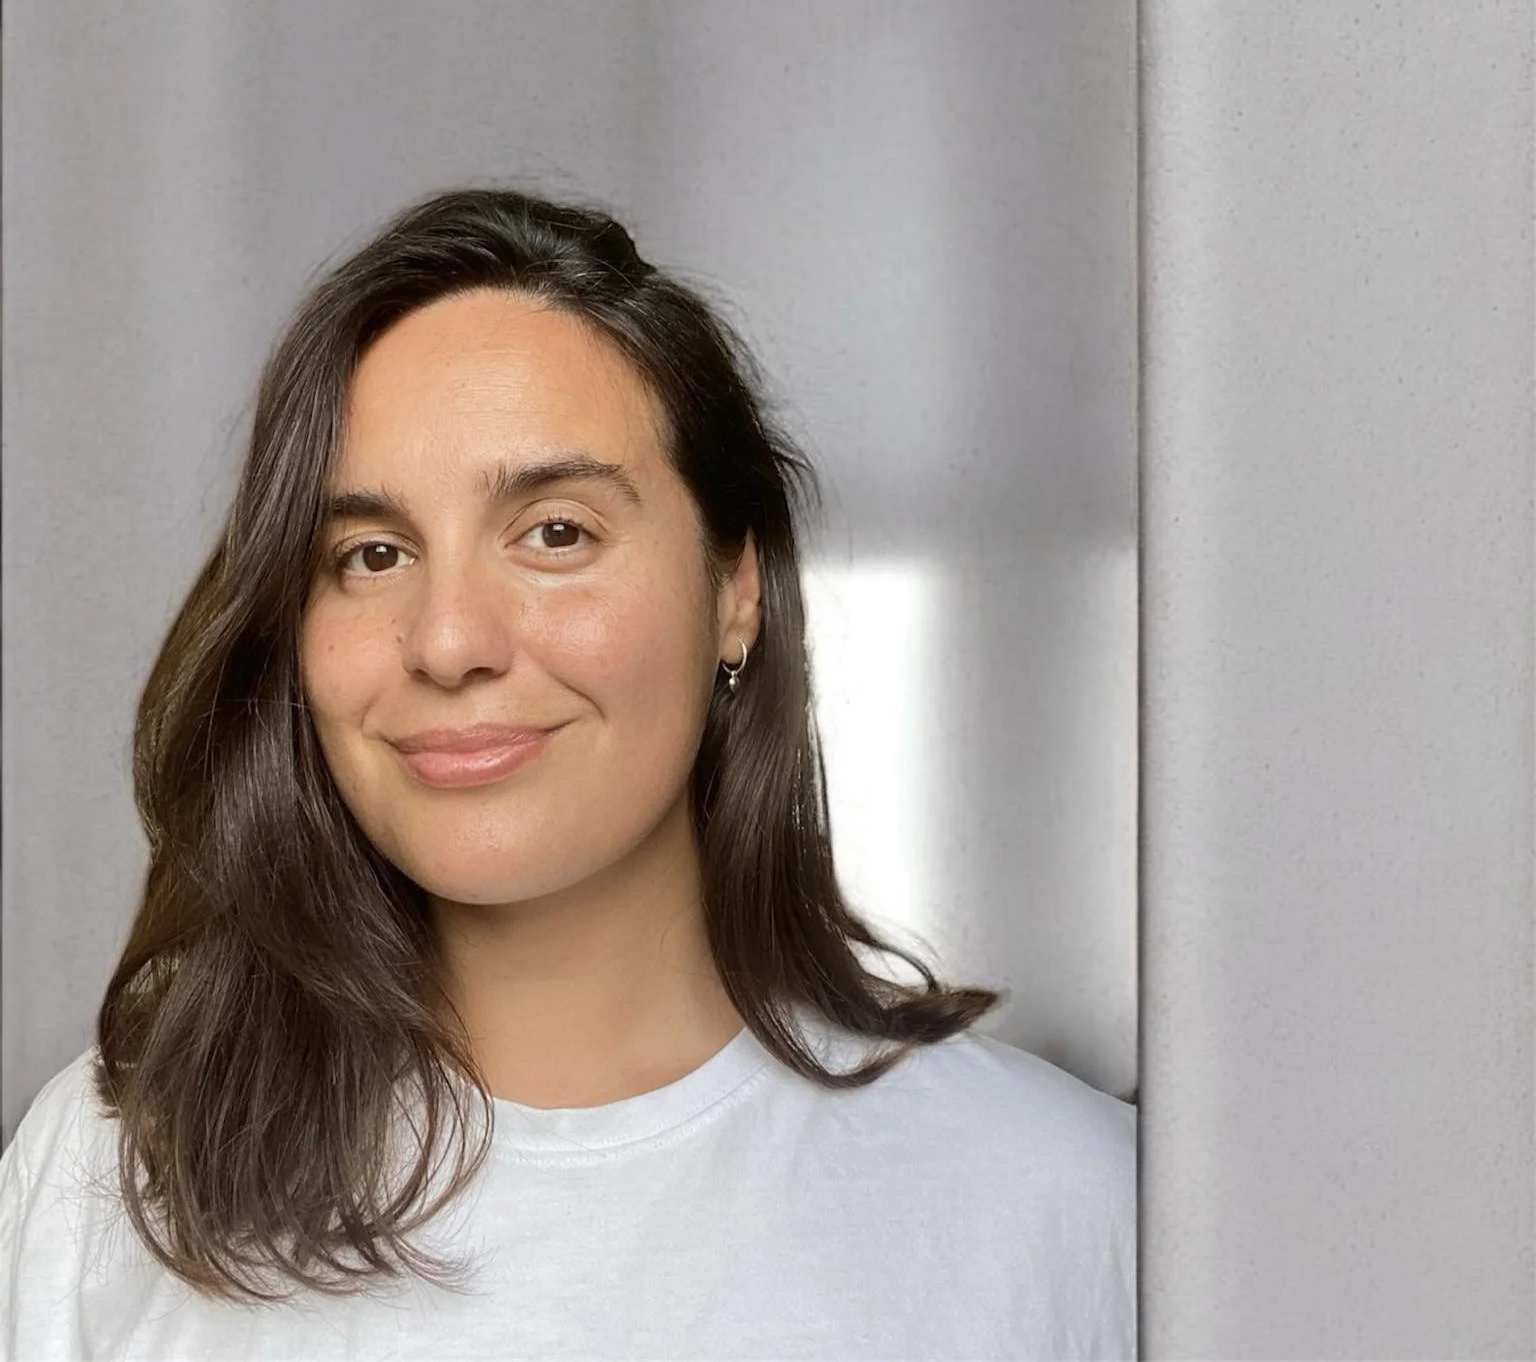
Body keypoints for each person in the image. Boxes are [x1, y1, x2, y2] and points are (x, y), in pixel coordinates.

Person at [0, 185, 1135, 1360]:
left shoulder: (1066, 1206)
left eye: (556, 532)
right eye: (373, 553)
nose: (448, 640)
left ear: (736, 588)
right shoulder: (111, 1179)